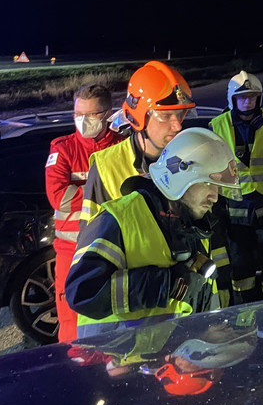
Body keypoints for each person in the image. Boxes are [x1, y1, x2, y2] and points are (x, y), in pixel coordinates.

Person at [66, 128, 238, 337]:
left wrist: (202, 333)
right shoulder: (118, 219)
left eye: (217, 187)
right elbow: (82, 293)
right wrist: (167, 285)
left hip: (166, 354)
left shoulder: (193, 227)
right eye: (208, 183)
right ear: (179, 175)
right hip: (110, 354)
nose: (215, 197)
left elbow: (186, 306)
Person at [209, 71, 263, 302]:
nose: (247, 102)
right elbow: (208, 169)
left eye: (252, 97)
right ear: (232, 99)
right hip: (234, 210)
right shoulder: (217, 126)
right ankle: (244, 308)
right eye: (242, 97)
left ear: (259, 98)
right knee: (240, 263)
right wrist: (215, 204)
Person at [45, 84, 123, 343]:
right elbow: (59, 197)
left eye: (91, 114)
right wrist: (105, 190)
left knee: (114, 319)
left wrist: (83, 190)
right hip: (71, 251)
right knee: (71, 325)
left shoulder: (123, 146)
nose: (83, 120)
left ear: (108, 114)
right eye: (78, 114)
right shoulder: (63, 149)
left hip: (114, 248)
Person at [78, 61, 196, 226]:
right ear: (139, 118)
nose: (178, 126)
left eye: (180, 114)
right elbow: (92, 234)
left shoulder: (192, 158)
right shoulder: (106, 167)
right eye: (166, 116)